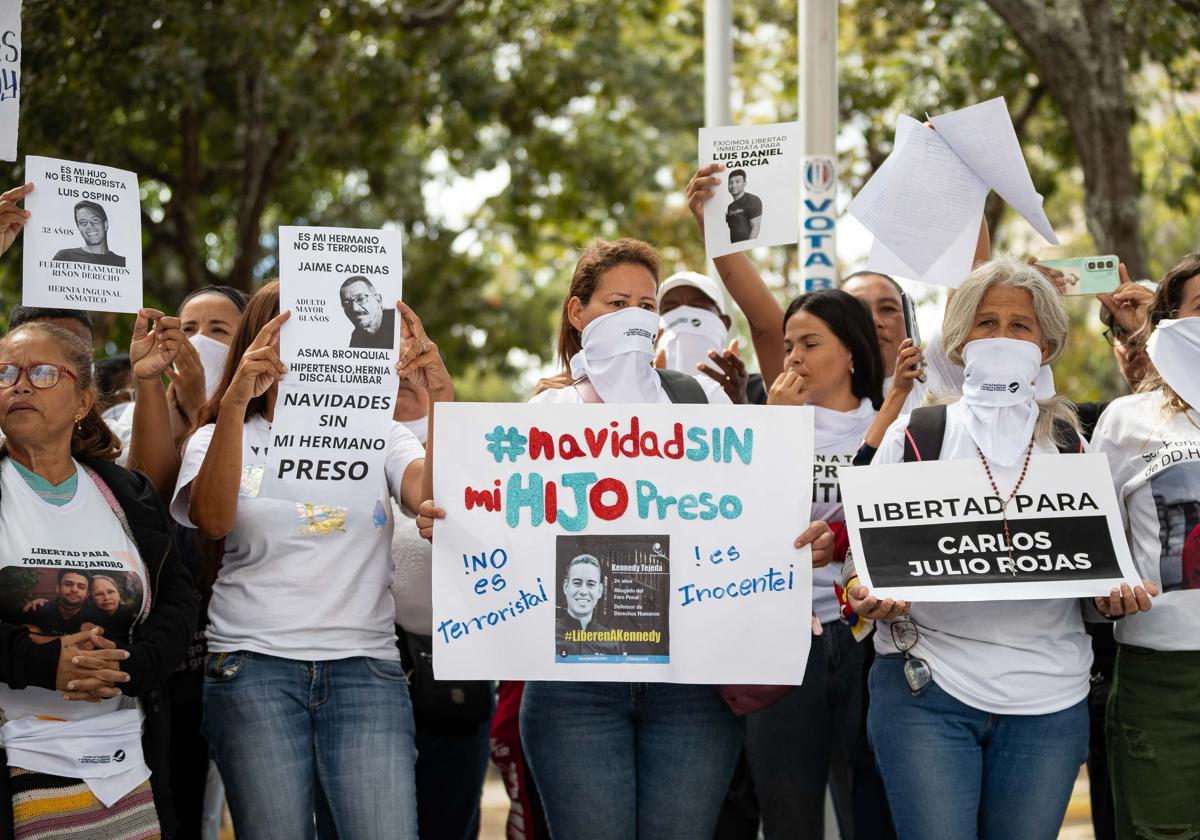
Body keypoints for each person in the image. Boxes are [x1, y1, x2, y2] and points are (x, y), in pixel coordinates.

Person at [419, 237, 836, 839]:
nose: (635, 317)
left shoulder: (705, 401)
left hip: (691, 685)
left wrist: (797, 540)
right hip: (573, 688)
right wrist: (451, 521)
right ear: (577, 312)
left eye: (647, 304)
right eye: (617, 303)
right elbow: (495, 522)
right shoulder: (544, 415)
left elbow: (756, 509)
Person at [845, 255, 1157, 840]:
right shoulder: (916, 436)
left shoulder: (1076, 449)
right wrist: (862, 593)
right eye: (986, 323)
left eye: (1021, 325)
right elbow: (855, 563)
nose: (1003, 336)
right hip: (925, 692)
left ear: (1046, 345)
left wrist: (1114, 598)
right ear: (960, 339)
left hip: (1049, 701)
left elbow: (1094, 581)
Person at [173, 279, 450, 840]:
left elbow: (432, 494)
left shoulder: (380, 432)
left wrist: (439, 396)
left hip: (366, 667)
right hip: (252, 668)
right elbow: (214, 520)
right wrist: (233, 402)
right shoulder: (219, 436)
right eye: (293, 331)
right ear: (261, 341)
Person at [0, 321, 197, 838]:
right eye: (5, 373)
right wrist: (43, 662)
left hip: (122, 759)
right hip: (15, 758)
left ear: (84, 400)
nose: (20, 384)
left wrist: (135, 664)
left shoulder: (126, 492)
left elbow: (177, 598)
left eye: (43, 373)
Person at [1090, 252, 1200, 840]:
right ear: (1169, 328)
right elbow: (1092, 544)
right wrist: (1106, 592)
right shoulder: (1127, 420)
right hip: (1163, 681)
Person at [390, 375, 493, 840]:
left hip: (455, 669)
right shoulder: (335, 445)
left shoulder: (483, 449)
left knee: (449, 820)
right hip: (365, 664)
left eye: (414, 365)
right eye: (387, 363)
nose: (400, 376)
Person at [655, 271, 753, 404]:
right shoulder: (639, 386)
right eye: (670, 308)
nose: (683, 313)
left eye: (697, 306)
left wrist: (739, 404)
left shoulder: (757, 388)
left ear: (724, 323)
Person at [51, 200, 126, 267]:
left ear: (105, 225)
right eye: (83, 222)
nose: (89, 226)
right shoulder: (65, 257)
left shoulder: (122, 263)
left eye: (95, 220)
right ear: (79, 228)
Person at [22, 570, 96, 635]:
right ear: (58, 588)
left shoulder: (96, 617)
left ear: (87, 594)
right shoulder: (37, 610)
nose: (74, 589)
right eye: (68, 584)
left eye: (81, 587)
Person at [341, 275, 395, 349]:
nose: (354, 308)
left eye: (360, 299)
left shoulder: (398, 323)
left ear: (378, 300)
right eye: (346, 304)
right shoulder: (357, 337)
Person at [724, 169, 762, 243]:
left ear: (744, 183)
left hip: (747, 248)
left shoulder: (753, 200)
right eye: (730, 183)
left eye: (737, 182)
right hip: (734, 248)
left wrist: (748, 247)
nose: (733, 185)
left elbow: (756, 226)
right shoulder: (730, 207)